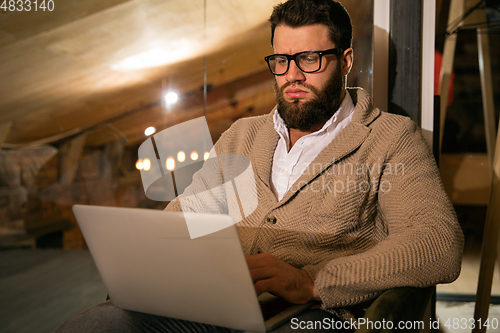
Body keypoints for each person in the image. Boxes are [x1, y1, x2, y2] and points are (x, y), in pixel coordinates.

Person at [56, 0, 463, 331]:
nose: (292, 76)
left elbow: (438, 244)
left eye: (309, 59)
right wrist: (149, 260)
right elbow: (188, 217)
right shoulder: (243, 135)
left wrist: (312, 282)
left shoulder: (389, 138)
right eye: (282, 61)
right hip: (212, 303)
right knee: (94, 325)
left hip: (311, 316)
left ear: (346, 60)